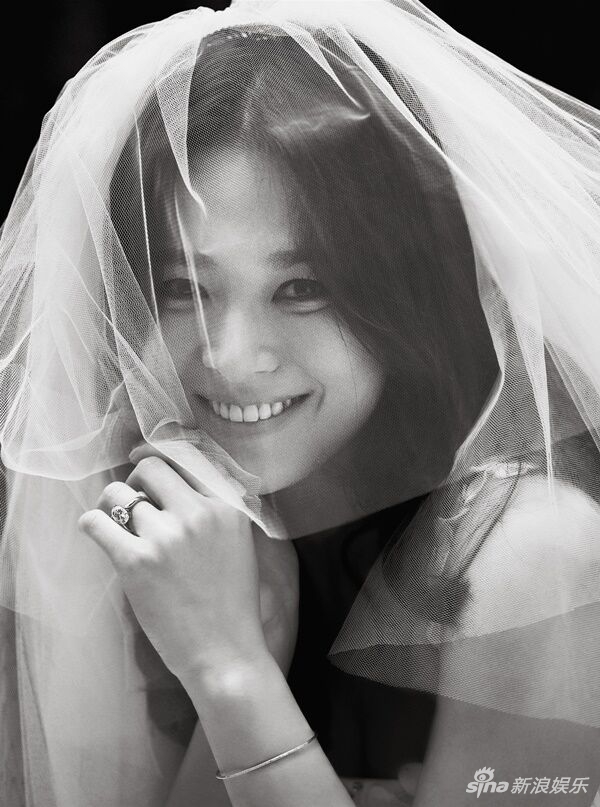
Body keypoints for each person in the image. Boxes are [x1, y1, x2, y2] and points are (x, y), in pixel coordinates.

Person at [1, 2, 600, 806]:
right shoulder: (169, 541)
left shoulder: (535, 556)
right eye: (183, 286)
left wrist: (231, 668)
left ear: (404, 296)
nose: (228, 354)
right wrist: (255, 630)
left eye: (301, 288)